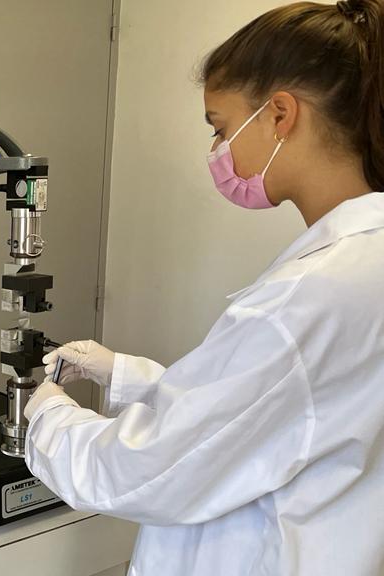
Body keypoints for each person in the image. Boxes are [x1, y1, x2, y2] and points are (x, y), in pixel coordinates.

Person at [23, 1, 384, 574]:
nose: (217, 153)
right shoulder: (366, 262)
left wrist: (41, 414)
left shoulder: (310, 297)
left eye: (220, 128)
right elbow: (280, 413)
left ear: (280, 114)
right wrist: (122, 374)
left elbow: (147, 471)